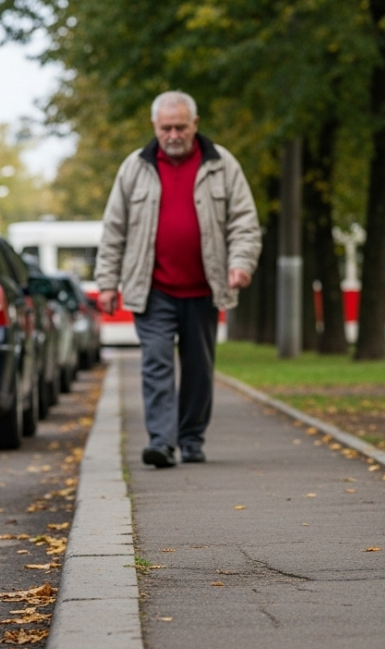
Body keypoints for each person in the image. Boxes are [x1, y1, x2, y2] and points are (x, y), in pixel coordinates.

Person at [95, 91, 261, 467]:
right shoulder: (134, 168)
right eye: (166, 127)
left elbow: (244, 222)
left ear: (195, 125)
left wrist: (241, 263)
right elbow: (114, 229)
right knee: (156, 362)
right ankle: (161, 441)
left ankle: (191, 437)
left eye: (180, 127)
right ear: (155, 127)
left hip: (204, 288)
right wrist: (107, 283)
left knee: (199, 368)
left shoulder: (222, 165)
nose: (173, 134)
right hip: (152, 289)